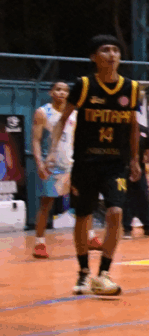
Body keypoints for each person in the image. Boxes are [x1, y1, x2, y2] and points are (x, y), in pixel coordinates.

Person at [50, 35, 142, 296]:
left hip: (116, 163)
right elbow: (62, 120)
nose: (112, 54)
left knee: (116, 213)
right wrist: (52, 151)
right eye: (105, 50)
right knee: (83, 216)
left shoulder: (132, 88)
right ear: (94, 57)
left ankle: (103, 273)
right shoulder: (84, 85)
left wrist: (135, 159)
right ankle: (83, 272)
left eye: (115, 50)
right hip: (86, 162)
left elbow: (133, 125)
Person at [30, 81, 85, 258]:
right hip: (51, 166)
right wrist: (39, 163)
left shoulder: (74, 114)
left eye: (65, 90)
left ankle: (90, 236)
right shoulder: (43, 112)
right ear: (51, 92)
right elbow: (36, 140)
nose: (62, 93)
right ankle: (39, 242)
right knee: (46, 203)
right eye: (58, 89)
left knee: (84, 199)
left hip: (72, 164)